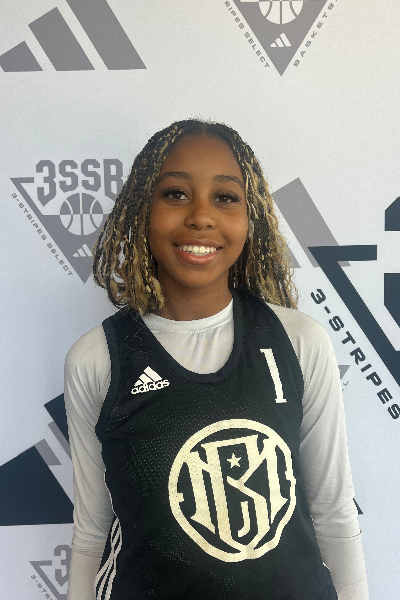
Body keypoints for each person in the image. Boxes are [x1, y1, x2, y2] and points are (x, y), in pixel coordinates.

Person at [65, 119, 369, 600]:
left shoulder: (300, 342)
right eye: (175, 194)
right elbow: (91, 532)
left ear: (251, 218)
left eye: (225, 197)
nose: (201, 216)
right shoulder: (98, 359)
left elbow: (334, 514)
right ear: (142, 210)